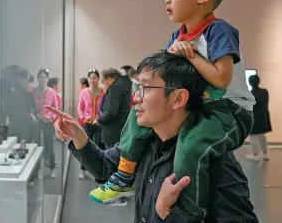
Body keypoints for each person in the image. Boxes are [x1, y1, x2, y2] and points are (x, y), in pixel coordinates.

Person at [90, 0, 255, 220]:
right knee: (136, 116)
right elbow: (163, 70)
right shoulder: (177, 36)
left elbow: (222, 79)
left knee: (190, 148)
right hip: (201, 105)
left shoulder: (218, 30)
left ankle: (189, 213)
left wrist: (192, 57)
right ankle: (124, 175)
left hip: (230, 110)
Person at [47, 51, 258, 222]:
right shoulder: (145, 144)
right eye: (137, 88)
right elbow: (104, 167)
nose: (135, 99)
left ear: (178, 98)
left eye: (145, 88)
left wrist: (167, 212)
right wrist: (79, 136)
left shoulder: (216, 162)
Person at [94, 68, 132, 149]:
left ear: (110, 78)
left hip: (112, 130)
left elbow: (111, 112)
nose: (105, 84)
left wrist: (99, 120)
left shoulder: (115, 88)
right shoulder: (125, 84)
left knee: (111, 158)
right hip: (121, 128)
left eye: (104, 81)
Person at [32, 69, 59, 178]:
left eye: (44, 77)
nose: (42, 79)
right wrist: (35, 116)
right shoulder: (33, 92)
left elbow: (56, 108)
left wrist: (50, 118)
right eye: (40, 77)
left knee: (50, 145)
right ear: (37, 78)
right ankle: (38, 169)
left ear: (47, 79)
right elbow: (31, 107)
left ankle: (51, 167)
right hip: (37, 122)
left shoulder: (52, 92)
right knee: (37, 146)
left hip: (48, 122)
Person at [78, 69, 105, 180]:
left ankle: (96, 172)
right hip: (87, 124)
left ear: (98, 79)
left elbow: (105, 107)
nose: (92, 80)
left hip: (99, 124)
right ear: (88, 79)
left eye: (95, 77)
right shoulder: (84, 92)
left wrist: (100, 118)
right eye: (90, 78)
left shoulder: (103, 92)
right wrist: (83, 118)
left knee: (98, 148)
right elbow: (80, 107)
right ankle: (82, 170)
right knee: (85, 147)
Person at [246, 74, 272, 161]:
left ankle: (255, 154)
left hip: (254, 118)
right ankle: (265, 154)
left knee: (253, 136)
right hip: (264, 117)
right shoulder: (265, 92)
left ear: (250, 83)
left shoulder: (249, 94)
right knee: (262, 135)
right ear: (258, 81)